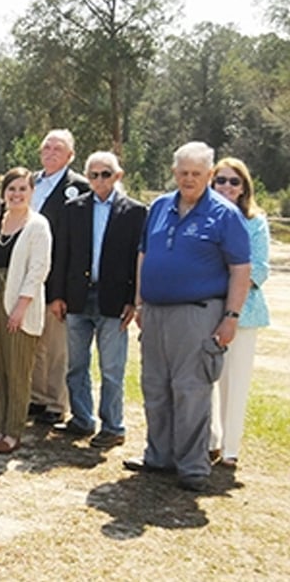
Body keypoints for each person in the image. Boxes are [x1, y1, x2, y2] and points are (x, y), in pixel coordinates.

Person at [126, 142, 250, 492]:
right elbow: (143, 255)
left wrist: (231, 317)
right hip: (155, 312)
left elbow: (240, 269)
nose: (189, 179)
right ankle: (158, 456)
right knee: (155, 386)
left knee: (191, 390)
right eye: (183, 173)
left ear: (209, 175)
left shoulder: (225, 215)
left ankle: (193, 466)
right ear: (174, 172)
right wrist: (139, 302)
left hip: (198, 314)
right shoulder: (160, 206)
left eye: (196, 173)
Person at [49, 152, 146, 448]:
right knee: (76, 364)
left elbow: (136, 260)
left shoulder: (136, 212)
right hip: (77, 297)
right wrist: (56, 295)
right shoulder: (73, 208)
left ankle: (113, 426)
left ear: (118, 176)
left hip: (114, 301)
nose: (98, 180)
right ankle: (82, 419)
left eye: (105, 174)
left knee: (112, 369)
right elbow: (61, 255)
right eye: (93, 175)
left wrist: (133, 300)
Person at [0, 167, 52, 454]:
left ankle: (14, 432)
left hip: (20, 306)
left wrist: (21, 306)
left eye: (23, 189)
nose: (16, 194)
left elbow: (38, 270)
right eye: (11, 189)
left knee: (18, 371)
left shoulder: (38, 225)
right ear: (3, 193)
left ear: (31, 192)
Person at [207, 157, 268, 469]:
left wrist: (229, 277)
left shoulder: (255, 222)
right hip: (206, 310)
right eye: (221, 180)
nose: (227, 186)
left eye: (234, 181)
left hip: (243, 315)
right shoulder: (204, 218)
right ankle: (211, 441)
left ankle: (230, 448)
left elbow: (258, 270)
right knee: (208, 380)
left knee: (236, 381)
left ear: (244, 187)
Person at [29, 129, 90, 425]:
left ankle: (56, 403)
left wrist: (62, 292)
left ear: (70, 156)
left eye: (59, 148)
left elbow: (77, 245)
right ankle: (36, 398)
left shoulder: (78, 187)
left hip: (56, 280)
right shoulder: (29, 182)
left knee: (56, 347)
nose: (51, 152)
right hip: (27, 276)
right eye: (47, 147)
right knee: (33, 342)